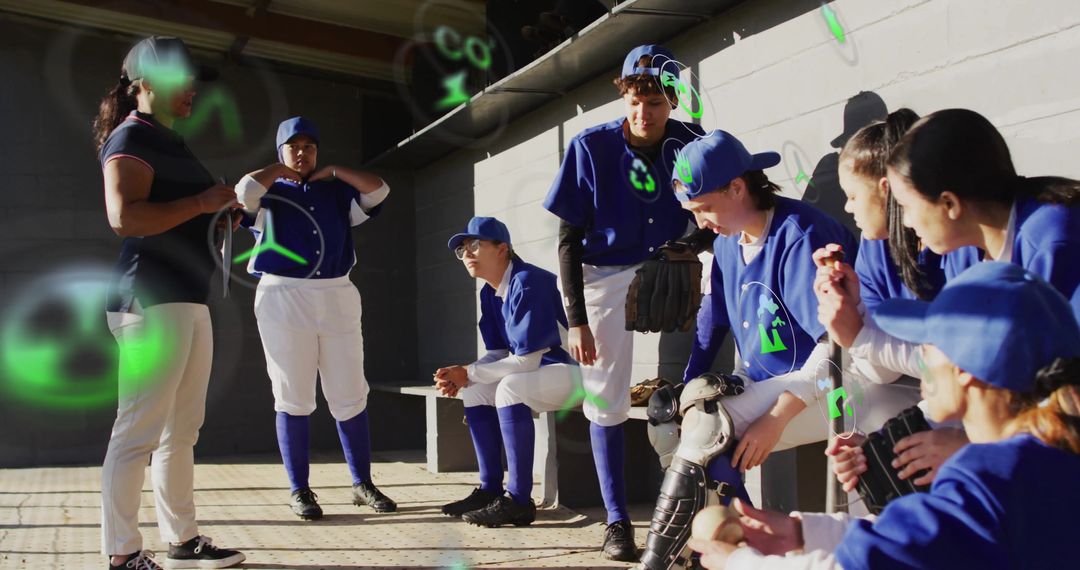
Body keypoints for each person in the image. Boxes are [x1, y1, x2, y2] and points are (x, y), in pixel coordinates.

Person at [687, 262, 1080, 570]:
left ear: (966, 370)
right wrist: (800, 532)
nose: (920, 356)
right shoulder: (1050, 456)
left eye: (928, 344)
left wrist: (739, 562)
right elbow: (906, 542)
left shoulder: (987, 477)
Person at [638, 130, 857, 569]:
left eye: (704, 209)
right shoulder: (726, 240)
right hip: (775, 384)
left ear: (737, 187)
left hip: (837, 390)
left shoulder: (800, 234)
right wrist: (686, 390)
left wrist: (774, 421)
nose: (701, 222)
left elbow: (836, 352)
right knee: (680, 424)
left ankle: (661, 563)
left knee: (708, 431)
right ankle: (726, 554)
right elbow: (712, 320)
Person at [541, 43, 706, 561]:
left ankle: (704, 500)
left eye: (655, 100)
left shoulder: (692, 142)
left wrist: (694, 247)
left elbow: (714, 213)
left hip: (667, 260)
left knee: (721, 295)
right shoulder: (591, 147)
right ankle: (616, 520)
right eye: (636, 98)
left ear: (673, 101)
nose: (644, 111)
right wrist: (576, 320)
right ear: (624, 95)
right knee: (605, 393)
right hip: (604, 271)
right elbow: (567, 240)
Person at [95, 36, 245, 569]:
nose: (192, 91)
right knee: (136, 432)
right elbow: (125, 218)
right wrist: (203, 201)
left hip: (187, 299)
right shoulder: (131, 136)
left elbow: (185, 213)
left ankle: (182, 542)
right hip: (149, 300)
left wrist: (223, 211)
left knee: (180, 432)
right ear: (147, 83)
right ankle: (122, 554)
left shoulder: (169, 140)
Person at [232, 116, 394, 520]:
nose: (302, 152)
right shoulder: (269, 192)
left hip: (336, 291)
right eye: (293, 146)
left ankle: (362, 483)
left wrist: (336, 171)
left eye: (309, 146)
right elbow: (243, 192)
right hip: (284, 294)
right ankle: (300, 490)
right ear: (280, 150)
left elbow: (379, 190)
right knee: (293, 393)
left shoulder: (336, 189)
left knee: (350, 389)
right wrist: (280, 169)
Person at [812, 109, 966, 491]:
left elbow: (959, 366)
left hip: (993, 403)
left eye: (851, 196)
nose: (847, 208)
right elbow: (883, 371)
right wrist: (854, 310)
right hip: (936, 392)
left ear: (888, 189)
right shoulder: (876, 246)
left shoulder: (956, 245)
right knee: (865, 436)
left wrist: (859, 335)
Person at [434, 216, 579, 527]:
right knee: (474, 391)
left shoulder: (529, 281)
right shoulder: (490, 291)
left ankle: (519, 500)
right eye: (462, 249)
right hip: (540, 375)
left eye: (475, 245)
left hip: (575, 373)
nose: (467, 254)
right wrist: (460, 376)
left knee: (508, 387)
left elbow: (527, 360)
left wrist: (468, 372)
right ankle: (490, 489)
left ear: (503, 249)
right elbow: (499, 353)